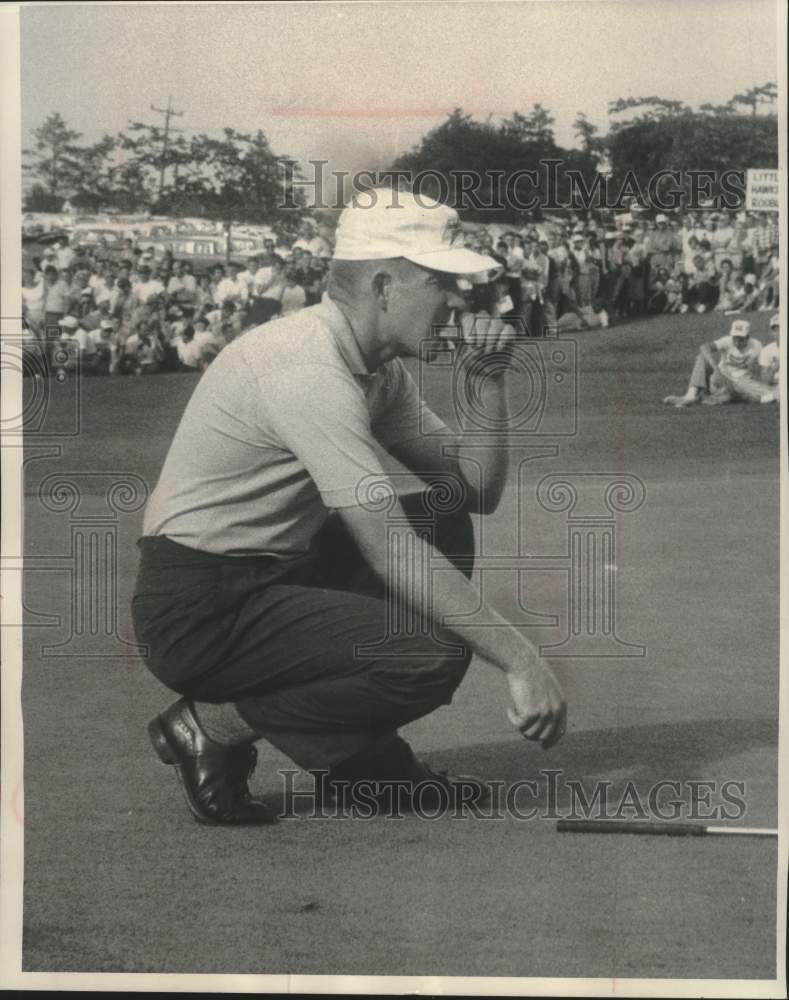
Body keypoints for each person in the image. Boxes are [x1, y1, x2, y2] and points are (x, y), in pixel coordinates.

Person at [132, 190, 566, 827]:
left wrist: (487, 384)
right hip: (200, 610)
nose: (459, 300)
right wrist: (522, 659)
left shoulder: (373, 367)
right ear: (386, 285)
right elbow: (387, 547)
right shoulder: (305, 368)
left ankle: (359, 768)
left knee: (441, 516)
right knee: (427, 653)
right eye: (442, 281)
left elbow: (474, 489)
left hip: (273, 579)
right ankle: (209, 724)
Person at [662, 318, 774, 407]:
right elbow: (704, 347)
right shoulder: (727, 341)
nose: (737, 342)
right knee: (701, 357)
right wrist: (715, 368)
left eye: (741, 339)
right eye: (735, 338)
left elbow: (765, 365)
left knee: (768, 394)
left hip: (742, 382)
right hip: (722, 378)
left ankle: (710, 397)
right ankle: (691, 395)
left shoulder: (756, 345)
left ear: (748, 337)